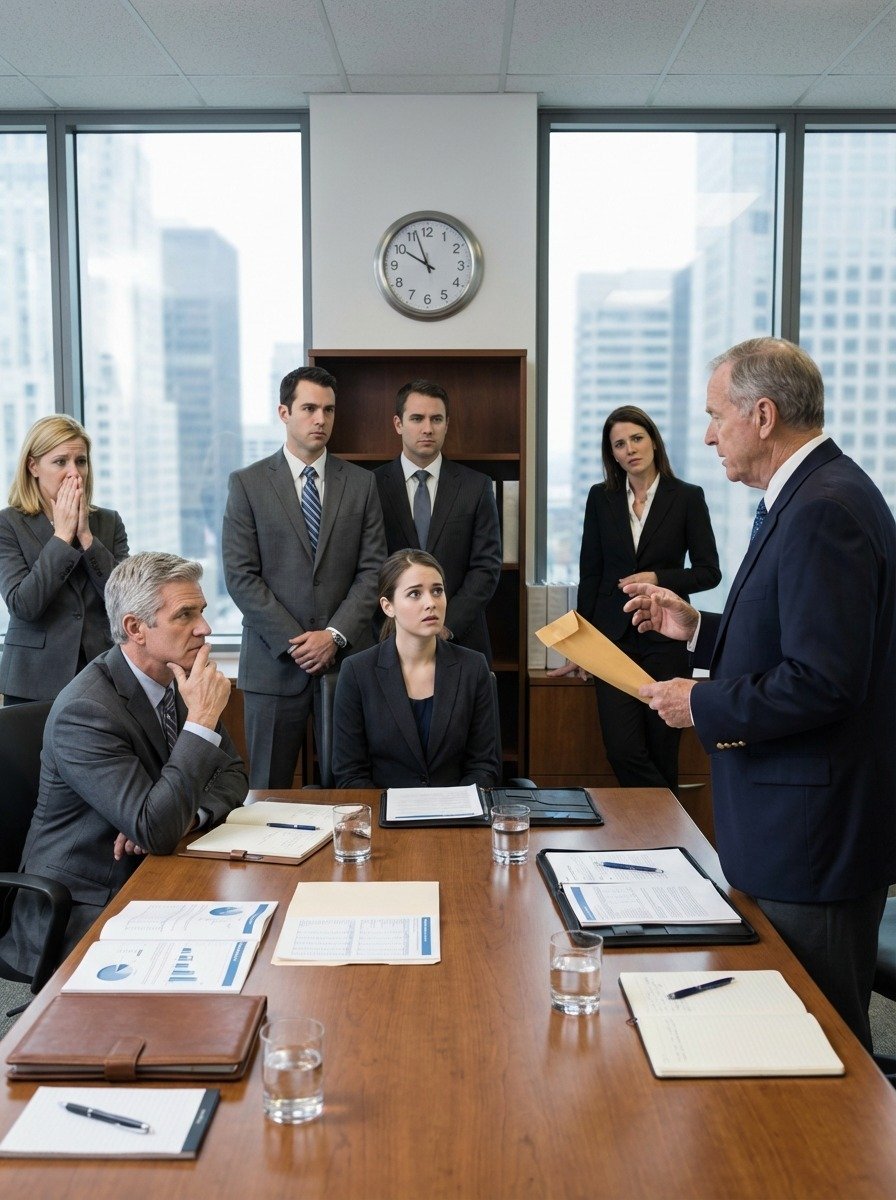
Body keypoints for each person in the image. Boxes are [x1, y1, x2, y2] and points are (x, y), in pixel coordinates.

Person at [622, 338, 896, 1051]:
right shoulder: (811, 495)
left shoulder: (824, 509)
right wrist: (699, 630)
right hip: (793, 834)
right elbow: (798, 637)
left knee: (821, 1051)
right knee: (785, 1041)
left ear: (764, 415)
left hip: (811, 844)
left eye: (717, 416)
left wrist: (700, 704)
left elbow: (824, 681)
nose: (709, 436)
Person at [0, 552, 248, 977]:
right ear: (135, 628)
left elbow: (233, 776)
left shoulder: (179, 680)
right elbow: (156, 829)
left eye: (202, 611)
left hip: (156, 868)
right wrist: (202, 722)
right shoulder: (86, 710)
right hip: (83, 902)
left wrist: (185, 818)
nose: (204, 628)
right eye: (185, 615)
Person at [223, 365, 386, 788]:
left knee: (350, 791)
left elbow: (373, 571)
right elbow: (241, 576)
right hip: (274, 662)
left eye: (328, 410)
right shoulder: (247, 484)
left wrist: (333, 636)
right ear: (284, 412)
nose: (320, 419)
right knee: (267, 792)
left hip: (346, 663)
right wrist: (298, 643)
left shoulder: (362, 484)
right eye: (309, 408)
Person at [555, 406, 720, 793]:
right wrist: (581, 645)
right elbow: (591, 574)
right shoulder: (601, 498)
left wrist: (658, 578)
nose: (629, 449)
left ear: (653, 442)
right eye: (619, 444)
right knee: (622, 749)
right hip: (614, 640)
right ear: (612, 454)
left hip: (666, 640)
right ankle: (669, 815)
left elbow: (709, 572)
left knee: (662, 749)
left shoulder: (687, 497)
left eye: (636, 438)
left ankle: (662, 829)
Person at [332, 549, 500, 789]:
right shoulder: (357, 672)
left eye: (437, 591)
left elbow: (484, 767)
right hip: (383, 808)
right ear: (388, 606)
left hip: (455, 808)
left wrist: (457, 805)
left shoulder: (473, 667)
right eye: (415, 594)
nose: (431, 603)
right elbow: (350, 775)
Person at [0, 415, 129, 703]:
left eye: (80, 461)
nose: (74, 473)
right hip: (33, 681)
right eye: (60, 462)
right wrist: (61, 538)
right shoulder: (8, 524)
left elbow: (126, 602)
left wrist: (86, 537)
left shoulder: (109, 522)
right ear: (33, 466)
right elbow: (23, 605)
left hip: (101, 675)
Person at [374, 381, 502, 661]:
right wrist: (403, 622)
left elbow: (486, 567)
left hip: (461, 639)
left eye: (436, 419)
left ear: (447, 424)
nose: (427, 428)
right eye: (417, 418)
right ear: (398, 424)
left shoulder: (476, 486)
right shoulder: (371, 485)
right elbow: (367, 565)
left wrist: (445, 625)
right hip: (390, 638)